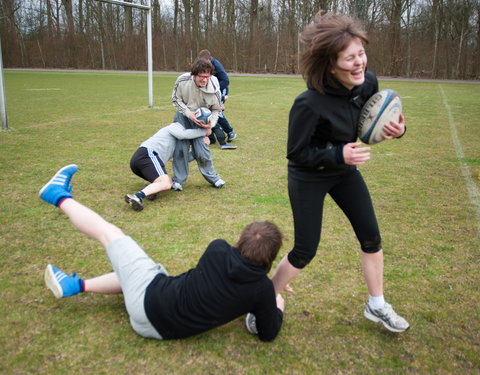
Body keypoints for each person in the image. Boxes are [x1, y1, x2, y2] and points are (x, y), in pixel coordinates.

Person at [270, 11, 409, 333]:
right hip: (308, 176)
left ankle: (377, 305)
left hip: (344, 171)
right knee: (305, 250)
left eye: (361, 54)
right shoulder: (309, 103)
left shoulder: (368, 83)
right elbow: (296, 152)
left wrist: (396, 130)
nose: (359, 63)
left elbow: (366, 124)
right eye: (349, 58)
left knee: (371, 237)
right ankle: (266, 295)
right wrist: (338, 152)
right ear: (331, 65)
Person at [40, 164, 285, 341]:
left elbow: (233, 272)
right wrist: (276, 303)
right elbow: (268, 333)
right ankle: (76, 285)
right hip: (155, 331)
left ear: (241, 240)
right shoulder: (260, 290)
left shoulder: (218, 249)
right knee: (153, 272)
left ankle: (57, 195)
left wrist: (265, 292)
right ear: (270, 258)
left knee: (110, 233)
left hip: (151, 300)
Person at [124, 122, 211, 211]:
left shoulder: (180, 143)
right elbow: (183, 134)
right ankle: (137, 196)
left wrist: (202, 146)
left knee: (169, 183)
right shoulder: (176, 126)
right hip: (147, 155)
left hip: (144, 160)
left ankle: (150, 190)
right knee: (165, 183)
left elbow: (183, 159)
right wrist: (204, 132)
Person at [171, 59, 228, 191]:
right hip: (184, 118)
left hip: (202, 123)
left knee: (202, 150)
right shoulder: (182, 81)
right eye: (201, 77)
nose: (204, 80)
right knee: (180, 149)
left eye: (207, 77)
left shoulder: (215, 88)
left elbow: (217, 109)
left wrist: (209, 125)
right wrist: (189, 114)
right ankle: (178, 180)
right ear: (194, 75)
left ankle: (214, 178)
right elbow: (175, 99)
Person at [198, 49, 238, 147]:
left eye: (205, 62)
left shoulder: (217, 65)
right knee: (210, 112)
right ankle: (211, 137)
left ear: (209, 59)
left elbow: (226, 80)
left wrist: (216, 91)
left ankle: (230, 132)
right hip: (213, 91)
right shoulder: (206, 65)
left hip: (221, 89)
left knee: (217, 112)